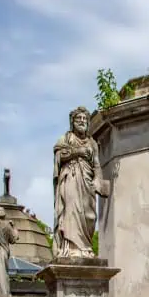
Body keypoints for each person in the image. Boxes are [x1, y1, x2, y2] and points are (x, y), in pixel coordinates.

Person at [53, 106, 107, 258]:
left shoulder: (92, 143)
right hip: (71, 177)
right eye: (79, 119)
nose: (82, 121)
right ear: (73, 121)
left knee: (89, 214)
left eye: (85, 119)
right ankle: (71, 248)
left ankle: (86, 246)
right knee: (71, 209)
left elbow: (96, 163)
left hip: (87, 181)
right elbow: (59, 156)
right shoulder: (66, 139)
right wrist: (77, 152)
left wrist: (98, 180)